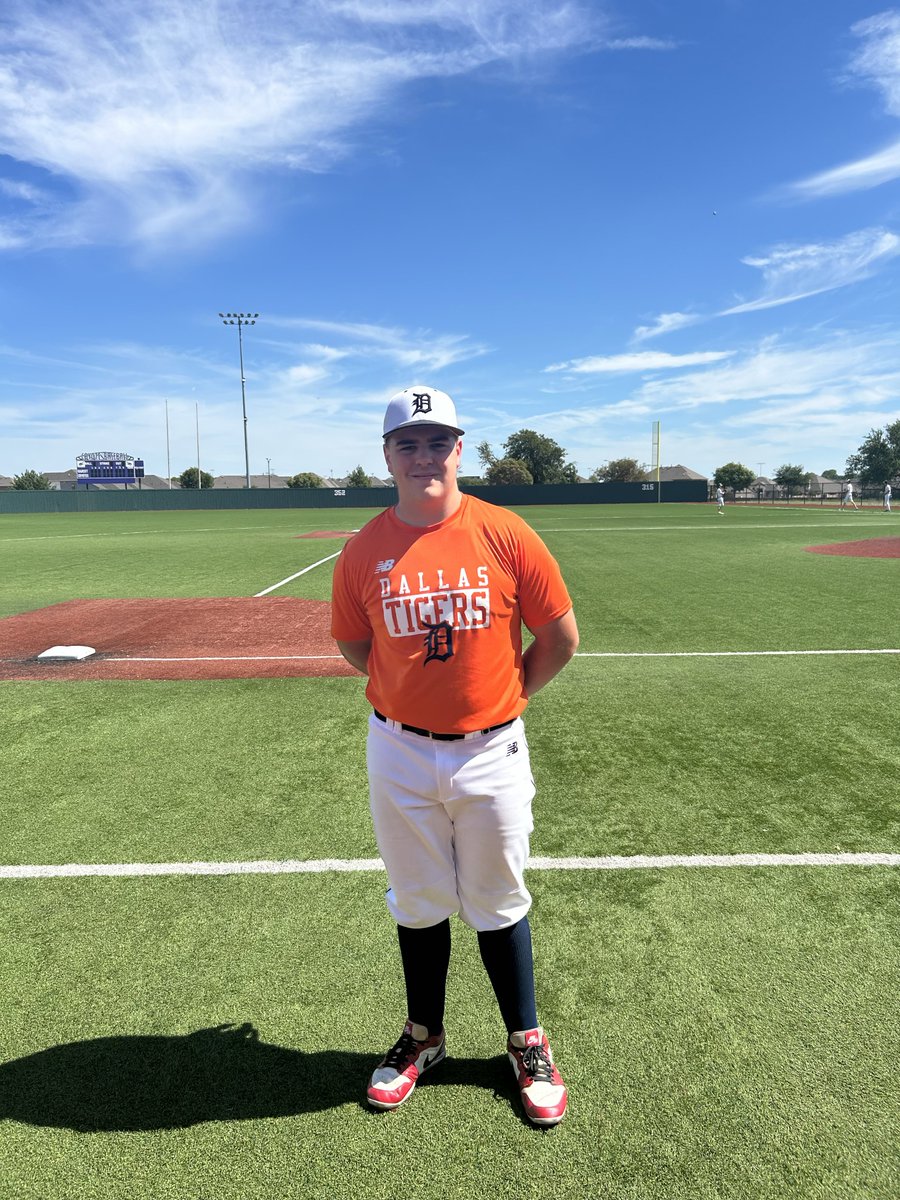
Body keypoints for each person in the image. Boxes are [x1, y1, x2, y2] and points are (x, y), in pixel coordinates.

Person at [330, 384, 579, 1128]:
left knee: (499, 900)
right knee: (417, 900)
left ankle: (525, 1040)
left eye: (437, 441)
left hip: (492, 750)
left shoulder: (505, 532)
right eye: (407, 443)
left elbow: (560, 638)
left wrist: (503, 698)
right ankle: (423, 1036)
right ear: (387, 456)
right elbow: (354, 645)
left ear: (459, 449)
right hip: (399, 751)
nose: (423, 455)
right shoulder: (364, 550)